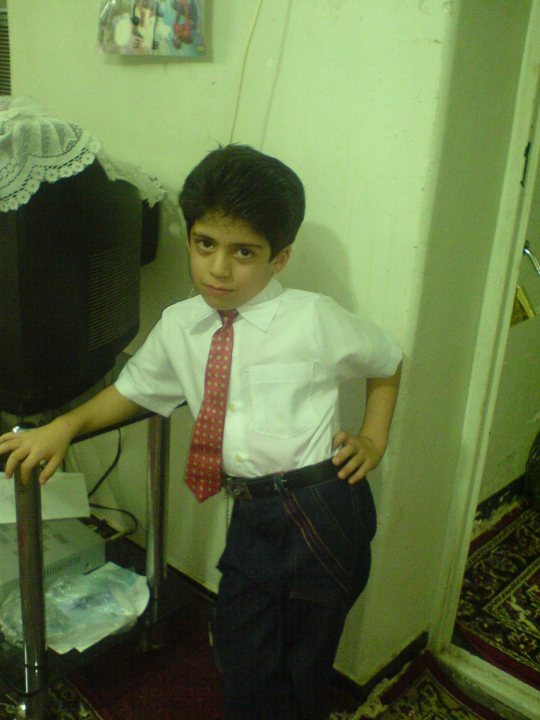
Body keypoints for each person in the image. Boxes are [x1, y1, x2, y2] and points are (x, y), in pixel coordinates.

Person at [0, 144, 402, 720]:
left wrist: (374, 439)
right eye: (205, 245)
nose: (218, 268)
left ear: (280, 257)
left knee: (301, 661)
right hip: (253, 516)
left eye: (244, 252)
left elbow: (387, 363)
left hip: (320, 510)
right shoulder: (181, 325)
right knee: (240, 647)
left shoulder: (313, 319)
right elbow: (135, 391)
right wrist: (63, 427)